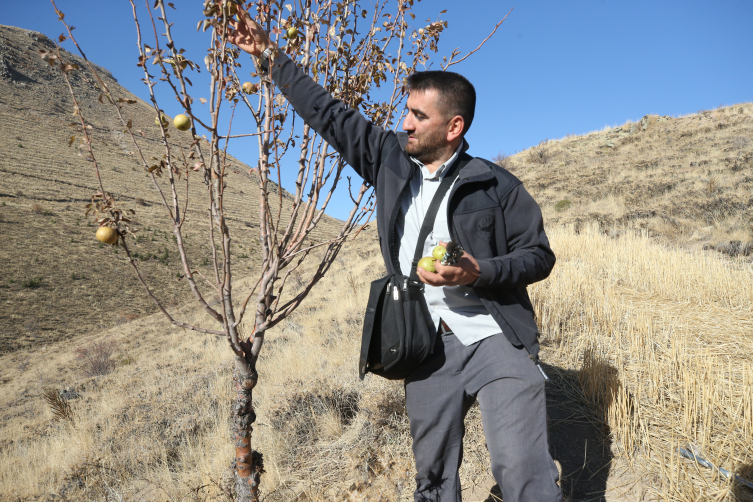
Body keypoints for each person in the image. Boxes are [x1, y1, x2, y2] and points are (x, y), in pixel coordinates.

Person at [229, 10, 562, 502]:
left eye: (417, 116)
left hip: (495, 335)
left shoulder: (497, 185)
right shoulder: (388, 160)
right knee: (432, 477)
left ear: (453, 126)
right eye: (405, 111)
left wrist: (479, 270)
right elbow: (327, 113)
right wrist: (268, 55)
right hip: (425, 341)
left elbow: (539, 256)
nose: (403, 122)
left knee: (522, 468)